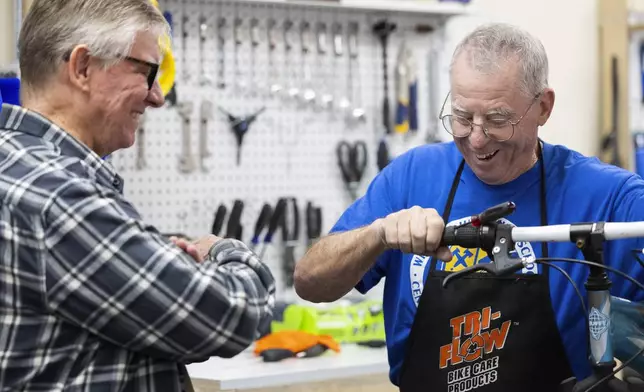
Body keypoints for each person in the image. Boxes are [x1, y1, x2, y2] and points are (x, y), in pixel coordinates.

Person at [294, 22, 644, 391]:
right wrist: (377, 234)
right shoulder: (411, 177)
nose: (476, 139)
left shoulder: (608, 197)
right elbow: (310, 283)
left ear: (543, 107)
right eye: (462, 117)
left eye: (497, 119)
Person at [0, 0, 275, 391]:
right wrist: (222, 251)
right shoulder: (60, 199)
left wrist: (153, 254)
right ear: (82, 67)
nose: (157, 97)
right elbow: (232, 316)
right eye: (147, 73)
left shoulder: (15, 166)